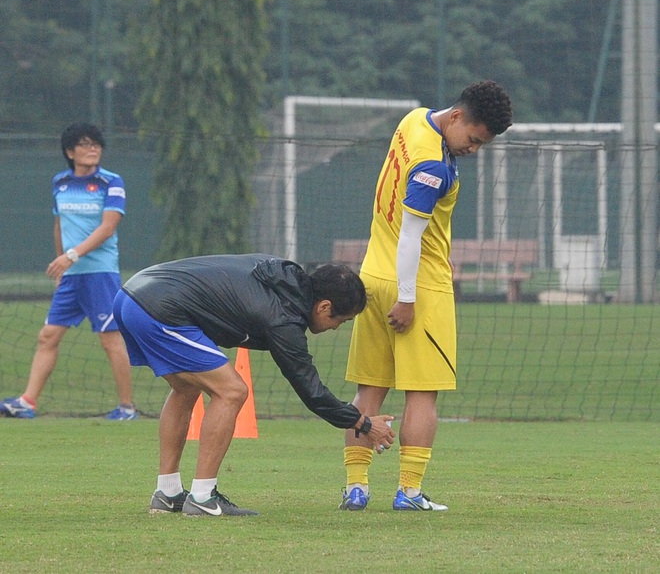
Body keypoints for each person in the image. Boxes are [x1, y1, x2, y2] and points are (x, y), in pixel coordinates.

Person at [339, 80, 513, 512]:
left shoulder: (413, 119)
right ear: (457, 117)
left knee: (369, 391)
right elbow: (411, 236)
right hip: (416, 287)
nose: (473, 150)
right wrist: (408, 297)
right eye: (473, 139)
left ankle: (355, 487)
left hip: (371, 278)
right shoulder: (434, 167)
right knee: (422, 395)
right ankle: (409, 492)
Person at [112, 254, 395, 516]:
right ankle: (202, 498)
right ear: (324, 306)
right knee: (232, 391)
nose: (337, 328)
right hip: (157, 308)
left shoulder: (282, 276)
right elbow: (312, 393)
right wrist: (364, 424)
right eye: (341, 321)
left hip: (131, 295)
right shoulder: (283, 317)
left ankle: (168, 492)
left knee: (186, 388)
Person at [0, 123, 137, 421]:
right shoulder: (59, 182)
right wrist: (62, 260)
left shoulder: (111, 182)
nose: (93, 149)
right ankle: (28, 401)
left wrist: (72, 256)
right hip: (71, 275)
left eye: (97, 144)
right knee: (48, 336)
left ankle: (127, 407)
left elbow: (108, 227)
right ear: (69, 151)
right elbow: (60, 223)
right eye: (85, 144)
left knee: (109, 339)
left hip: (100, 273)